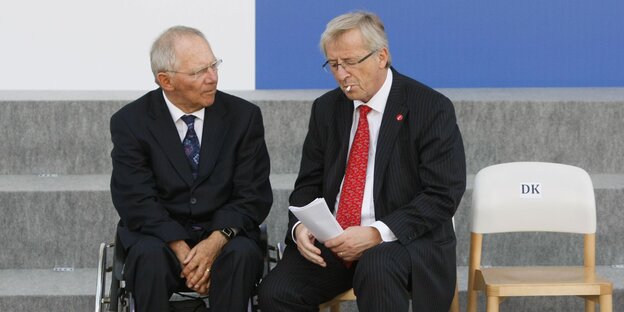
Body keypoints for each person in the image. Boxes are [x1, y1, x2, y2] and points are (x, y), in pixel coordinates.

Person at [258, 11, 466, 312]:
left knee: (376, 265)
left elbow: (442, 195)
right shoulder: (327, 109)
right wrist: (300, 227)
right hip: (335, 240)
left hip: (402, 240)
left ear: (381, 56)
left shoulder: (430, 108)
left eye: (351, 62)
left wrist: (376, 233)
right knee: (276, 292)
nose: (342, 74)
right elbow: (308, 184)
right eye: (333, 64)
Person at [110, 25, 272, 312]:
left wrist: (215, 242)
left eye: (213, 65)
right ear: (166, 81)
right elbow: (135, 198)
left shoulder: (244, 117)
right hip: (160, 238)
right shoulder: (131, 123)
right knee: (148, 257)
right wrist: (181, 249)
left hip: (224, 235)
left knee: (243, 255)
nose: (213, 78)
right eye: (199, 72)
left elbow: (253, 193)